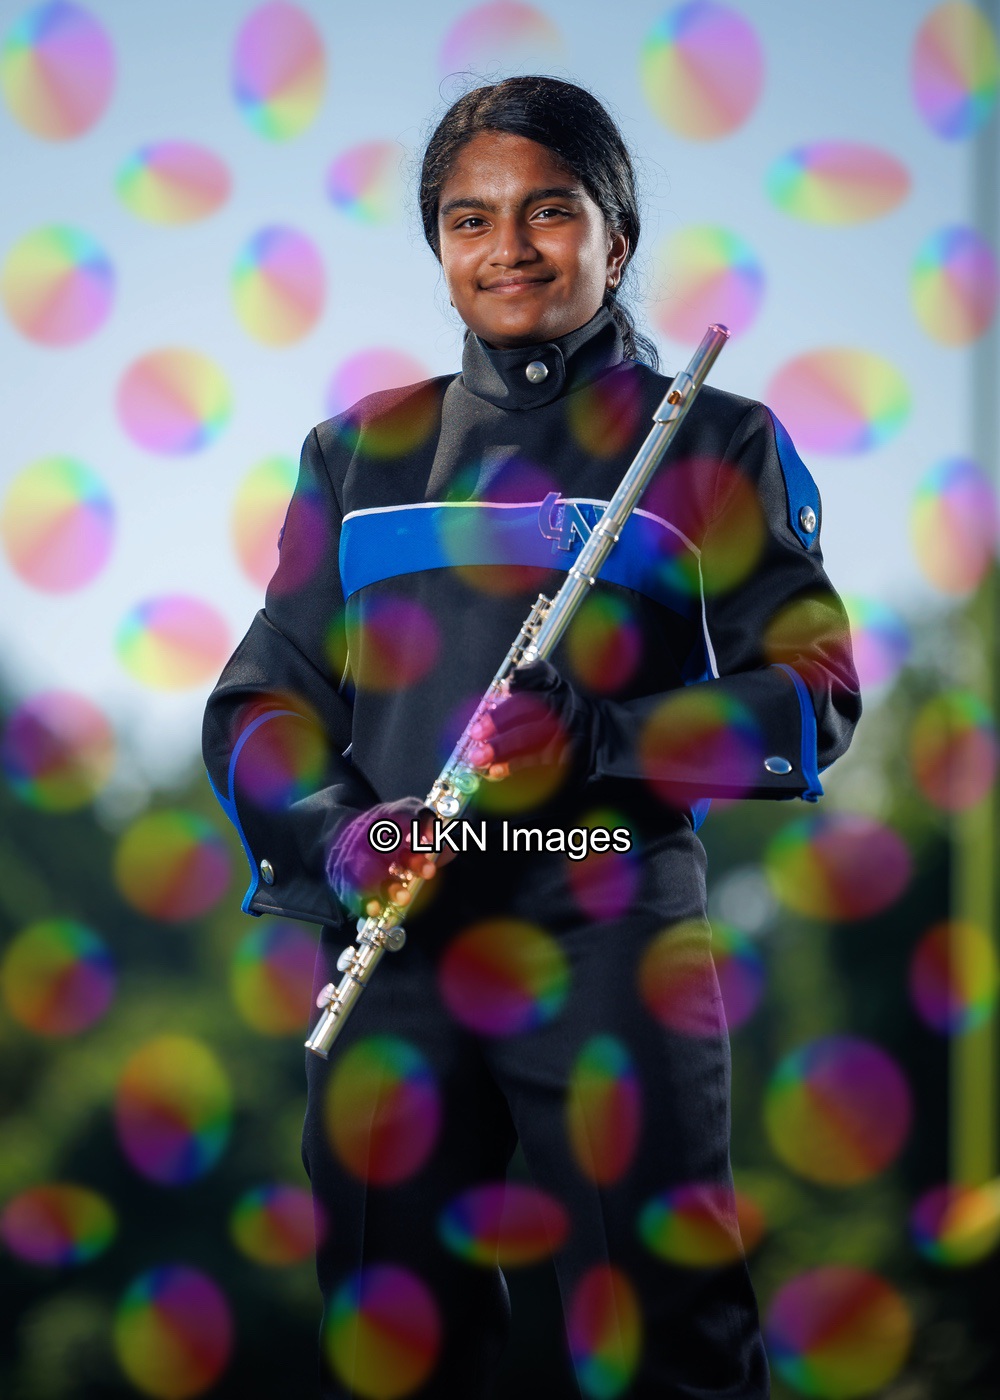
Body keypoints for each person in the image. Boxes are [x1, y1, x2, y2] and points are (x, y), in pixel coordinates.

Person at [202, 75, 860, 1400]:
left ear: (617, 236)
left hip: (611, 929)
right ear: (439, 246)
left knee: (665, 1335)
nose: (509, 248)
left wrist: (601, 737)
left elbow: (811, 696)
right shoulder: (356, 452)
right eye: (470, 220)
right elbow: (257, 706)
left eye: (550, 211)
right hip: (399, 936)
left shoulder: (714, 440)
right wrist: (341, 837)